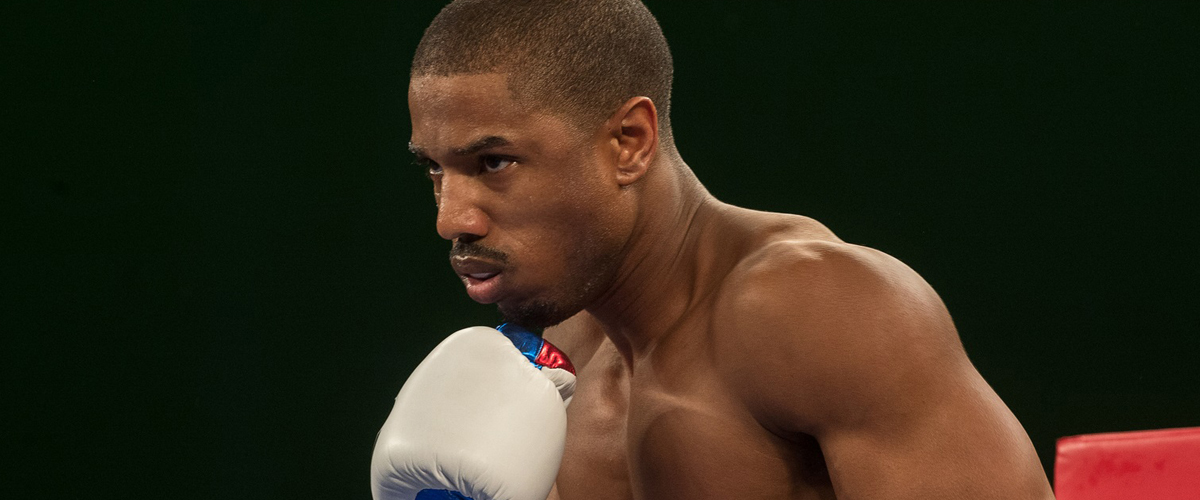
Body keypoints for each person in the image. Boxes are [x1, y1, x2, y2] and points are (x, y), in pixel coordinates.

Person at [372, 0, 1055, 499]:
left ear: (629, 143)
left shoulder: (816, 311)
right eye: (435, 170)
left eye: (493, 162)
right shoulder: (549, 367)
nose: (451, 218)